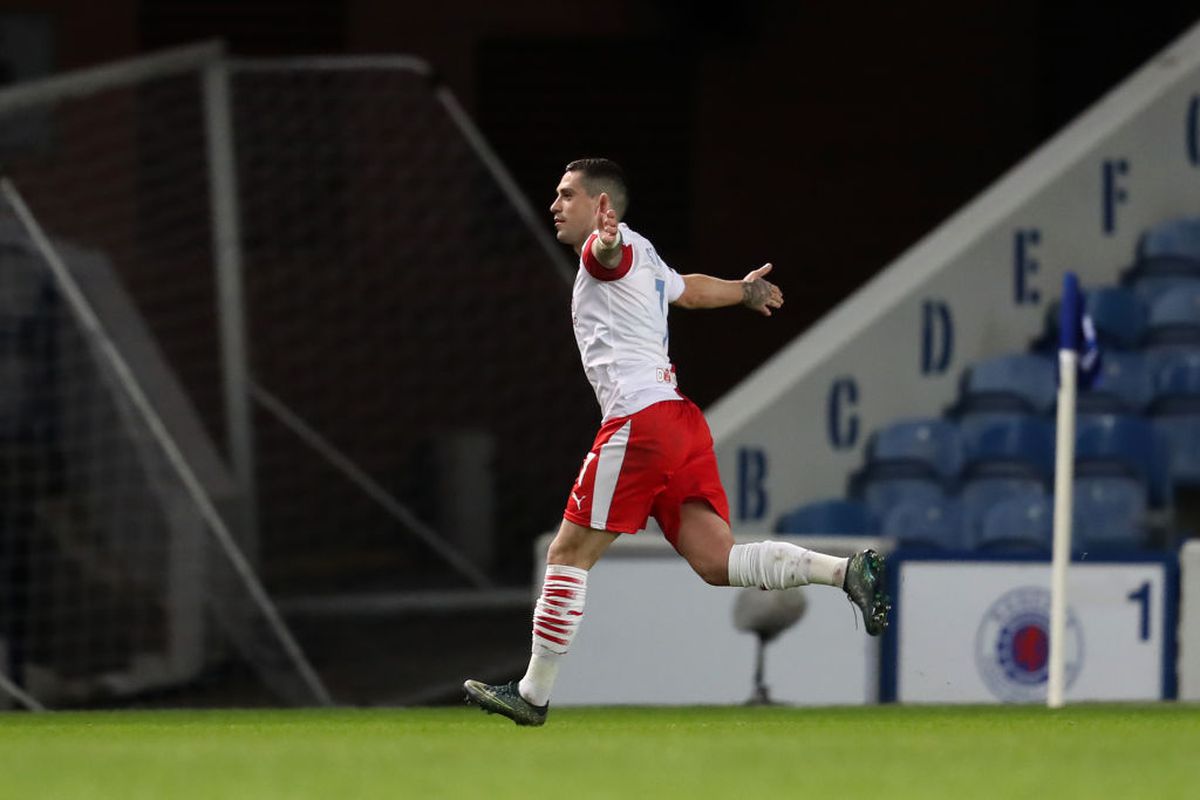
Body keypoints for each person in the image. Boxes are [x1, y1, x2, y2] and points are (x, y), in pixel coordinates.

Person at [463, 158, 889, 726]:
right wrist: (743, 291)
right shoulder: (647, 254)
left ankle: (533, 693)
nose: (555, 205)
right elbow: (688, 292)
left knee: (567, 555)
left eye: (567, 195)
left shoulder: (607, 252)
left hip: (640, 422)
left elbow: (605, 257)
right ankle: (845, 572)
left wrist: (606, 245)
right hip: (680, 421)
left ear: (602, 208)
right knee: (717, 562)